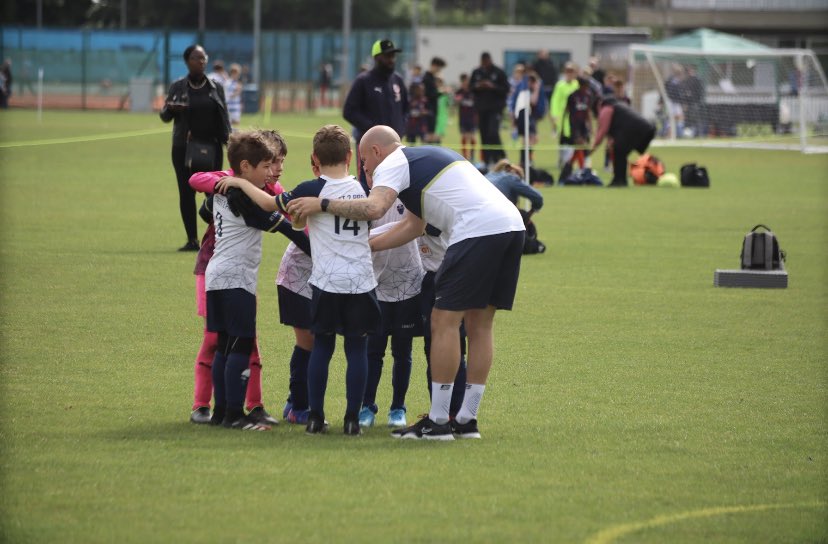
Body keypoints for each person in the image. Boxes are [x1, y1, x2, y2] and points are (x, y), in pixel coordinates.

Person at [284, 125, 526, 441]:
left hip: (476, 230)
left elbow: (374, 208)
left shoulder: (393, 162)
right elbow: (413, 227)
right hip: (511, 225)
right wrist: (363, 245)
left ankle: (439, 421)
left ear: (375, 151)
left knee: (443, 320)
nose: (365, 171)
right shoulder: (430, 158)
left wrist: (323, 204)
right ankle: (466, 420)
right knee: (480, 325)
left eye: (364, 162)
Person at [218, 125, 381, 436]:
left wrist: (239, 181)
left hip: (326, 282)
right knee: (357, 350)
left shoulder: (311, 188)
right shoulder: (362, 190)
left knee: (322, 347)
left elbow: (268, 205)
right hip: (361, 280)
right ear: (349, 156)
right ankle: (351, 421)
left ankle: (316, 418)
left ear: (314, 159)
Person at [187, 130, 296, 427]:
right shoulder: (242, 196)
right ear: (246, 167)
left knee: (226, 344)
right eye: (267, 166)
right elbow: (283, 222)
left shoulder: (227, 191)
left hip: (218, 276)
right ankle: (234, 413)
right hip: (236, 278)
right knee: (240, 344)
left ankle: (223, 411)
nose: (271, 172)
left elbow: (205, 206)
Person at [358, 199, 425, 429]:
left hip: (408, 283)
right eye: (363, 165)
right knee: (372, 351)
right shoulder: (368, 198)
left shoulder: (410, 193)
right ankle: (367, 406)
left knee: (402, 351)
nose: (367, 171)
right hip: (375, 283)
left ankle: (398, 407)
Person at [159, 44, 231, 251]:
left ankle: (218, 238)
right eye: (195, 58)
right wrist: (171, 109)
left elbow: (224, 117)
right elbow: (164, 116)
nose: (201, 62)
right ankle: (192, 240)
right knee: (186, 193)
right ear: (187, 61)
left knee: (215, 193)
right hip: (183, 148)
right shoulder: (178, 86)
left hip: (212, 147)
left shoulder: (215, 87)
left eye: (203, 58)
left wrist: (231, 142)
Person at [343, 39, 409, 180]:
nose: (391, 60)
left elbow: (406, 109)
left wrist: (401, 129)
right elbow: (349, 111)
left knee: (396, 186)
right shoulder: (363, 81)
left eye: (393, 56)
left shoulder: (398, 80)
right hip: (370, 148)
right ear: (377, 58)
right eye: (387, 56)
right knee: (368, 184)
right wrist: (373, 130)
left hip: (394, 147)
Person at [591, 97, 656, 187]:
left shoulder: (606, 109)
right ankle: (621, 180)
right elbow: (614, 128)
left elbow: (603, 130)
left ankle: (619, 180)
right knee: (620, 152)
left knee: (619, 151)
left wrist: (593, 147)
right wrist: (611, 142)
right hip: (646, 130)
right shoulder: (617, 105)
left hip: (638, 130)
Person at [469, 52, 510, 166]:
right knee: (484, 134)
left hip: (495, 109)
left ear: (490, 60)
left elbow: (506, 89)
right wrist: (479, 86)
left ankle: (499, 157)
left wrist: (493, 86)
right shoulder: (476, 72)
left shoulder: (498, 72)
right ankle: (487, 161)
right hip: (481, 109)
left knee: (493, 133)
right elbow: (471, 87)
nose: (485, 64)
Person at [509, 69, 547, 169]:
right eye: (531, 81)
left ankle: (526, 161)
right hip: (524, 119)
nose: (533, 83)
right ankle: (524, 162)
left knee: (531, 140)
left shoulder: (526, 89)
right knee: (528, 140)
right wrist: (537, 89)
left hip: (531, 119)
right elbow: (533, 101)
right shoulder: (525, 91)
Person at [559, 76, 595, 181]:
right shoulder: (572, 96)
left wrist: (591, 127)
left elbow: (588, 112)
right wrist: (562, 128)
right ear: (581, 85)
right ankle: (583, 169)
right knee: (580, 144)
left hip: (583, 125)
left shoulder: (588, 96)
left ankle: (568, 167)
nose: (586, 88)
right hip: (574, 125)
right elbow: (566, 111)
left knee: (580, 148)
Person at [549, 62, 579, 168]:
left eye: (572, 71)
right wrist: (554, 114)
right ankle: (561, 160)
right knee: (563, 139)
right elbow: (555, 101)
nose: (569, 74)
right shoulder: (560, 85)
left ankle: (569, 162)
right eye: (568, 71)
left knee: (572, 139)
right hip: (562, 117)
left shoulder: (577, 85)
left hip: (574, 117)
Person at [422, 57, 446, 143]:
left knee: (431, 133)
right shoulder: (426, 78)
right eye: (439, 68)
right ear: (434, 66)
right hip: (428, 109)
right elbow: (429, 94)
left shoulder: (432, 77)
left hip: (433, 109)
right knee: (429, 135)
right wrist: (441, 92)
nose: (439, 70)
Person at [454, 73, 477, 162]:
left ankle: (472, 157)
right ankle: (464, 157)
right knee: (464, 136)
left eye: (466, 81)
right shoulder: (459, 92)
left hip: (472, 118)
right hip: (463, 118)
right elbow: (455, 102)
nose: (465, 83)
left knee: (472, 137)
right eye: (463, 81)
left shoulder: (473, 91)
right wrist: (457, 100)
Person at [225, 63, 243, 128]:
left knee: (237, 123)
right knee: (230, 123)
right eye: (236, 73)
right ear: (232, 73)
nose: (238, 75)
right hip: (229, 105)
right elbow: (229, 94)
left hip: (236, 105)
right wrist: (237, 92)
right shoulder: (228, 82)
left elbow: (238, 95)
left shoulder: (237, 83)